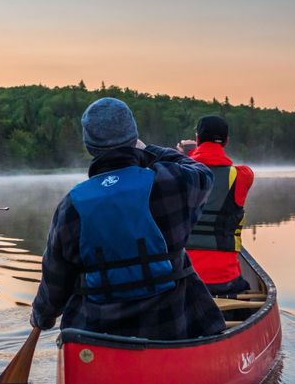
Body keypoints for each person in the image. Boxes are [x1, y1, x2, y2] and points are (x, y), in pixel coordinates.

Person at [30, 98, 225, 340]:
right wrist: (149, 150)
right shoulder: (171, 182)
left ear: (89, 147)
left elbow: (55, 280)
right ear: (134, 138)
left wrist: (42, 317)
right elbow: (202, 172)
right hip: (172, 327)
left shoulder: (71, 205)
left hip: (95, 335)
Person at [179, 115, 255, 295]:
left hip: (185, 278)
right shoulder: (242, 176)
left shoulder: (177, 173)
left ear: (198, 139)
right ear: (227, 141)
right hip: (226, 280)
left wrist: (188, 154)